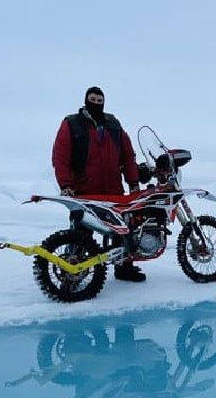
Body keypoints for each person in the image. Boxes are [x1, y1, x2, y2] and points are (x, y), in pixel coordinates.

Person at [51, 86, 147, 282]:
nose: (96, 103)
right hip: (85, 189)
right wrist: (66, 185)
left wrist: (133, 181)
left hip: (113, 189)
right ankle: (73, 269)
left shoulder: (113, 124)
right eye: (92, 100)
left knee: (123, 229)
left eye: (99, 101)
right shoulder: (71, 123)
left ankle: (124, 266)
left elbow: (128, 155)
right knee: (81, 232)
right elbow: (60, 156)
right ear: (85, 100)